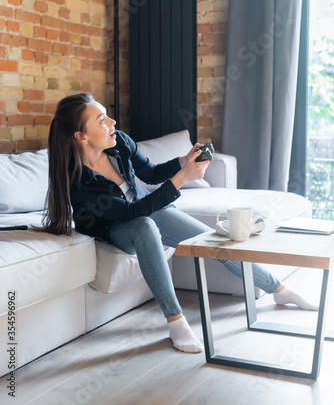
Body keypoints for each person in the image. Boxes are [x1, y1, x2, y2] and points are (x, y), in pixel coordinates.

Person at [41, 93, 318, 354]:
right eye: (101, 120)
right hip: (115, 229)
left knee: (209, 239)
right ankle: (175, 321)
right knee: (144, 226)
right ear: (81, 136)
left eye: (108, 116)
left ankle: (278, 289)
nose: (112, 122)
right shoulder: (79, 182)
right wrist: (182, 179)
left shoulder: (119, 142)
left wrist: (182, 162)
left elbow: (150, 173)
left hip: (143, 211)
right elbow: (130, 213)